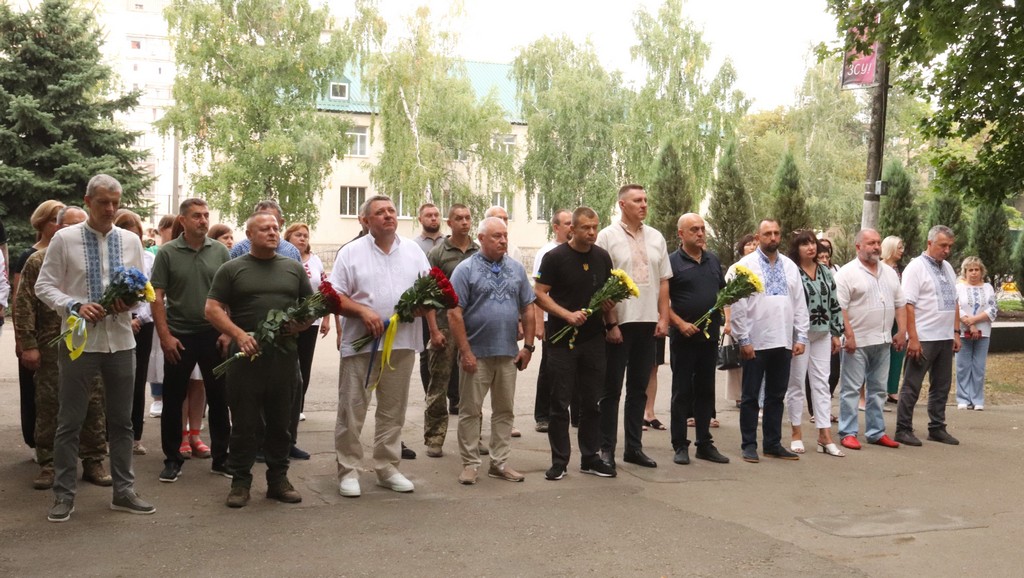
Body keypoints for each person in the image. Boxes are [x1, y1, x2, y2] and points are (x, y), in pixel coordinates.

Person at [35, 174, 155, 522]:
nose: (111, 209)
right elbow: (44, 286)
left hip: (121, 341)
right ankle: (63, 495)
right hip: (79, 343)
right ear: (88, 202)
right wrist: (74, 305)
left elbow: (142, 291)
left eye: (116, 202)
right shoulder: (65, 239)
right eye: (103, 202)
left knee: (122, 422)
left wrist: (129, 303)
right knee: (69, 421)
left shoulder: (131, 240)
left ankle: (124, 491)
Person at [206, 212, 312, 507]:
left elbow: (310, 307)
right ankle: (240, 482)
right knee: (244, 423)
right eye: (265, 229)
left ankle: (279, 480)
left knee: (281, 422)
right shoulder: (232, 269)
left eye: (275, 228)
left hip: (283, 358)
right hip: (245, 359)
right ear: (249, 235)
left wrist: (301, 324)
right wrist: (238, 335)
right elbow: (212, 309)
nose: (272, 232)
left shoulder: (293, 268)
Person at [332, 195, 434, 498]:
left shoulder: (413, 251)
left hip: (402, 343)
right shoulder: (350, 252)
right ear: (365, 221)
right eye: (380, 212)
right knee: (352, 408)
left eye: (392, 210)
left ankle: (387, 467)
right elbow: (334, 296)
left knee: (393, 409)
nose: (389, 215)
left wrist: (423, 309)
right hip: (361, 345)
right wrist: (362, 312)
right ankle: (348, 470)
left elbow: (429, 291)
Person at [15, 206, 110, 490]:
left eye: (81, 225)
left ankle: (93, 460)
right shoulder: (39, 260)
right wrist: (28, 344)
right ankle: (49, 463)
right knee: (50, 403)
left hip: (90, 342)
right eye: (69, 226)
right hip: (51, 344)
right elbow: (24, 303)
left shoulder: (94, 259)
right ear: (57, 228)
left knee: (93, 401)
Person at [151, 199, 233, 483]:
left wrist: (227, 331)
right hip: (179, 335)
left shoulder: (220, 251)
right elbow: (156, 296)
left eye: (206, 215)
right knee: (173, 399)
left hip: (213, 335)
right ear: (183, 221)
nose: (203, 220)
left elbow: (230, 294)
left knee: (220, 398)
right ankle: (172, 459)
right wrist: (165, 336)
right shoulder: (167, 253)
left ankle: (221, 458)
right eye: (197, 216)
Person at [449, 217, 536, 484]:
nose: (503, 241)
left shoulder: (516, 269)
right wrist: (465, 351)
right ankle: (470, 464)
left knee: (504, 411)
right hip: (476, 354)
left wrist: (528, 347)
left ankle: (499, 463)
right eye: (497, 236)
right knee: (470, 411)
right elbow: (454, 313)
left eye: (505, 235)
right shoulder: (465, 269)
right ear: (481, 238)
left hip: (508, 354)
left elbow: (528, 308)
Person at [533, 207, 618, 481]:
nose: (592, 232)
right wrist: (566, 315)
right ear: (572, 229)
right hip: (561, 341)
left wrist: (611, 320)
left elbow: (607, 294)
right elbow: (539, 294)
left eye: (595, 227)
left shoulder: (602, 257)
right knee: (560, 403)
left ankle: (590, 458)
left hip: (593, 340)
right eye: (585, 228)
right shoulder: (555, 258)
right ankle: (559, 461)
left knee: (592, 403)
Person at [595, 185, 671, 470]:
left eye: (646, 200)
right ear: (622, 204)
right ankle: (606, 449)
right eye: (637, 200)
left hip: (648, 323)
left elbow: (664, 280)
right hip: (620, 324)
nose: (643, 205)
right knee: (611, 389)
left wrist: (663, 318)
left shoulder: (656, 237)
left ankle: (634, 448)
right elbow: (603, 285)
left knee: (639, 389)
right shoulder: (607, 236)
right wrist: (610, 323)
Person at [730, 219, 809, 463]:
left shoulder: (790, 266)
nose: (773, 237)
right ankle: (749, 445)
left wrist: (800, 335)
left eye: (776, 233)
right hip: (755, 340)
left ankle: (773, 444)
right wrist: (743, 338)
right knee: (751, 396)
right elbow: (738, 305)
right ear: (758, 236)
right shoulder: (744, 267)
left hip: (783, 340)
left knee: (776, 395)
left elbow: (799, 302)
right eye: (767, 233)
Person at [666, 213, 730, 465]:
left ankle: (704, 443)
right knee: (682, 392)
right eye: (694, 229)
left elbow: (722, 293)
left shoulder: (712, 260)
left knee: (705, 391)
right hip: (683, 337)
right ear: (681, 234)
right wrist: (679, 323)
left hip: (709, 337)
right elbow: (662, 302)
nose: (701, 233)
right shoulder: (671, 262)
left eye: (702, 228)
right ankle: (680, 444)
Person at [835, 228, 906, 450]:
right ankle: (847, 432)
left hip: (883, 341)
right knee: (851, 389)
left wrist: (901, 331)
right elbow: (840, 308)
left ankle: (876, 432)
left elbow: (900, 303)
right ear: (858, 246)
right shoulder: (846, 273)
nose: (876, 247)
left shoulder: (889, 272)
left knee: (879, 390)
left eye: (878, 242)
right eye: (871, 243)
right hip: (857, 342)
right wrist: (848, 335)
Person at [895, 225, 962, 447]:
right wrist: (912, 338)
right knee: (912, 385)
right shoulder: (915, 268)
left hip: (944, 337)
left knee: (942, 385)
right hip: (923, 337)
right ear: (929, 243)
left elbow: (955, 302)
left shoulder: (948, 267)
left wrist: (955, 332)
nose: (947, 250)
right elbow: (908, 304)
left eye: (950, 246)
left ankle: (937, 427)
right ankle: (903, 429)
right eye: (943, 245)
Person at [784, 231, 845, 456]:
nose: (811, 247)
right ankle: (796, 434)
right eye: (805, 244)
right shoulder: (792, 271)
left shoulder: (826, 271)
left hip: (822, 333)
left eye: (813, 243)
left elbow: (834, 303)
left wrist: (836, 332)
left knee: (821, 383)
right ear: (796, 248)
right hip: (799, 335)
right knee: (796, 384)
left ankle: (824, 436)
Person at [423, 204, 476, 457]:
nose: (464, 222)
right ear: (449, 223)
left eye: (467, 218)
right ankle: (434, 438)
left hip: (472, 328)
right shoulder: (437, 253)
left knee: (473, 387)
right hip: (444, 325)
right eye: (459, 218)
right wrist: (434, 330)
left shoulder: (479, 251)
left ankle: (473, 437)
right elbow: (428, 296)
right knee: (438, 386)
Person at [12, 200, 65, 451]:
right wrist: (22, 340)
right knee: (35, 391)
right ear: (41, 223)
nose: (59, 225)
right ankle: (37, 442)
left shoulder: (68, 252)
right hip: (37, 335)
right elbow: (20, 300)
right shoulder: (30, 256)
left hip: (66, 337)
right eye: (54, 220)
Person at [112, 210, 156, 456]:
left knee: (137, 381)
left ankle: (135, 436)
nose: (133, 240)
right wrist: (127, 318)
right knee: (113, 381)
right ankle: (108, 436)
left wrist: (138, 318)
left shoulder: (149, 259)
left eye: (137, 235)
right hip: (116, 323)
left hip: (143, 325)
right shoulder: (112, 257)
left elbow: (152, 294)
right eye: (128, 234)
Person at [283, 223, 331, 441]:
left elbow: (323, 290)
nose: (302, 239)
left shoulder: (315, 260)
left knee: (305, 362)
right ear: (288, 238)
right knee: (288, 362)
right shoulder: (284, 257)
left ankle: (299, 405)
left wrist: (326, 318)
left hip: (311, 321)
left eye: (305, 235)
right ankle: (286, 404)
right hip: (288, 321)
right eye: (298, 235)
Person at [532, 209, 573, 433]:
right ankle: (543, 415)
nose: (571, 227)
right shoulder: (546, 253)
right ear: (556, 227)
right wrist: (539, 324)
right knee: (549, 368)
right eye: (566, 223)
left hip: (575, 319)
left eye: (573, 223)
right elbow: (539, 292)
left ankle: (574, 413)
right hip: (551, 321)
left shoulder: (578, 250)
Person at [955, 256, 997, 411]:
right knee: (962, 366)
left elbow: (993, 309)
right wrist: (970, 324)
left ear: (981, 271)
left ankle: (977, 399)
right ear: (965, 272)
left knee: (979, 367)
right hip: (963, 332)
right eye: (970, 270)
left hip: (983, 332)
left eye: (976, 269)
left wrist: (974, 320)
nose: (973, 273)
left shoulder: (988, 287)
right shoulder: (959, 288)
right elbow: (956, 308)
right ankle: (963, 399)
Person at [723, 234, 758, 407]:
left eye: (755, 244)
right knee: (737, 359)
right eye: (748, 244)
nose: (752, 247)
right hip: (738, 320)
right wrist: (728, 321)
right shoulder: (736, 268)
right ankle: (739, 395)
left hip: (757, 321)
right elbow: (728, 297)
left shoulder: (761, 267)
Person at [228, 200, 301, 261]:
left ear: (281, 223)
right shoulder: (238, 251)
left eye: (273, 220)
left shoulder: (292, 252)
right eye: (262, 219)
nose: (271, 232)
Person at [881, 236, 906, 404]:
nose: (902, 251)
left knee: (898, 352)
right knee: (882, 354)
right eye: (899, 247)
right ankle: (880, 390)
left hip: (899, 315)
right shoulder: (880, 267)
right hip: (884, 315)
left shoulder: (902, 269)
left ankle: (892, 389)